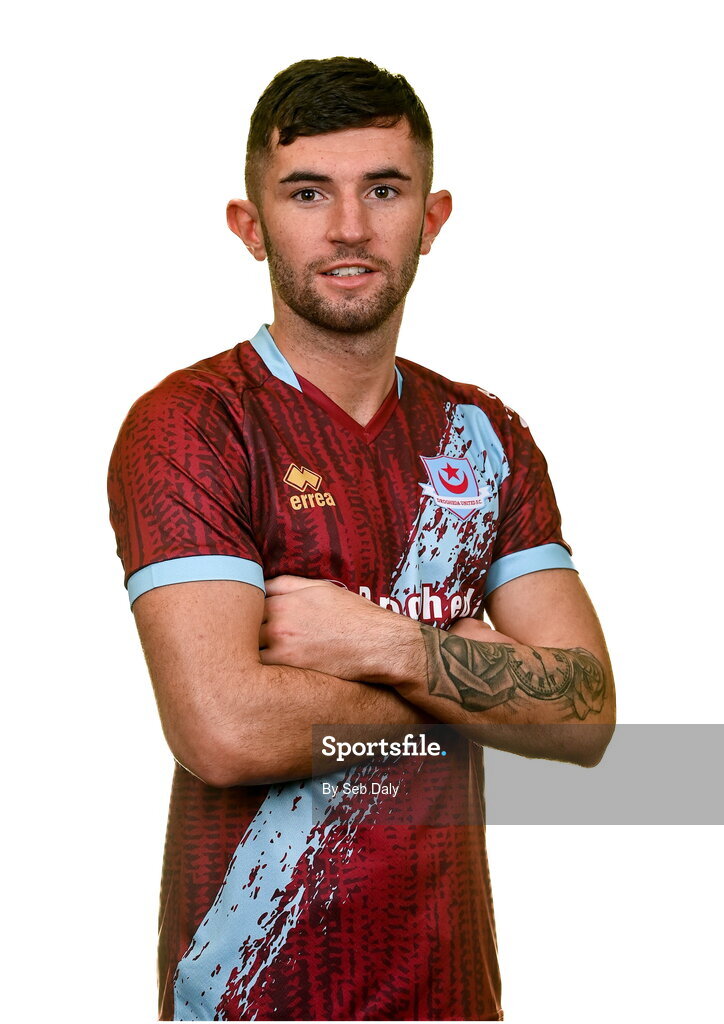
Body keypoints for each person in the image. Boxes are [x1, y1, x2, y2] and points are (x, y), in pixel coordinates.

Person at [108, 56, 615, 1022]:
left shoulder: (486, 436)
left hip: (453, 997)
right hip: (250, 1001)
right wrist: (468, 684)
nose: (349, 226)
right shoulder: (194, 425)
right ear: (249, 227)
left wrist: (383, 645)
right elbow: (222, 728)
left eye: (383, 189)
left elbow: (588, 715)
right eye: (309, 193)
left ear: (432, 217)